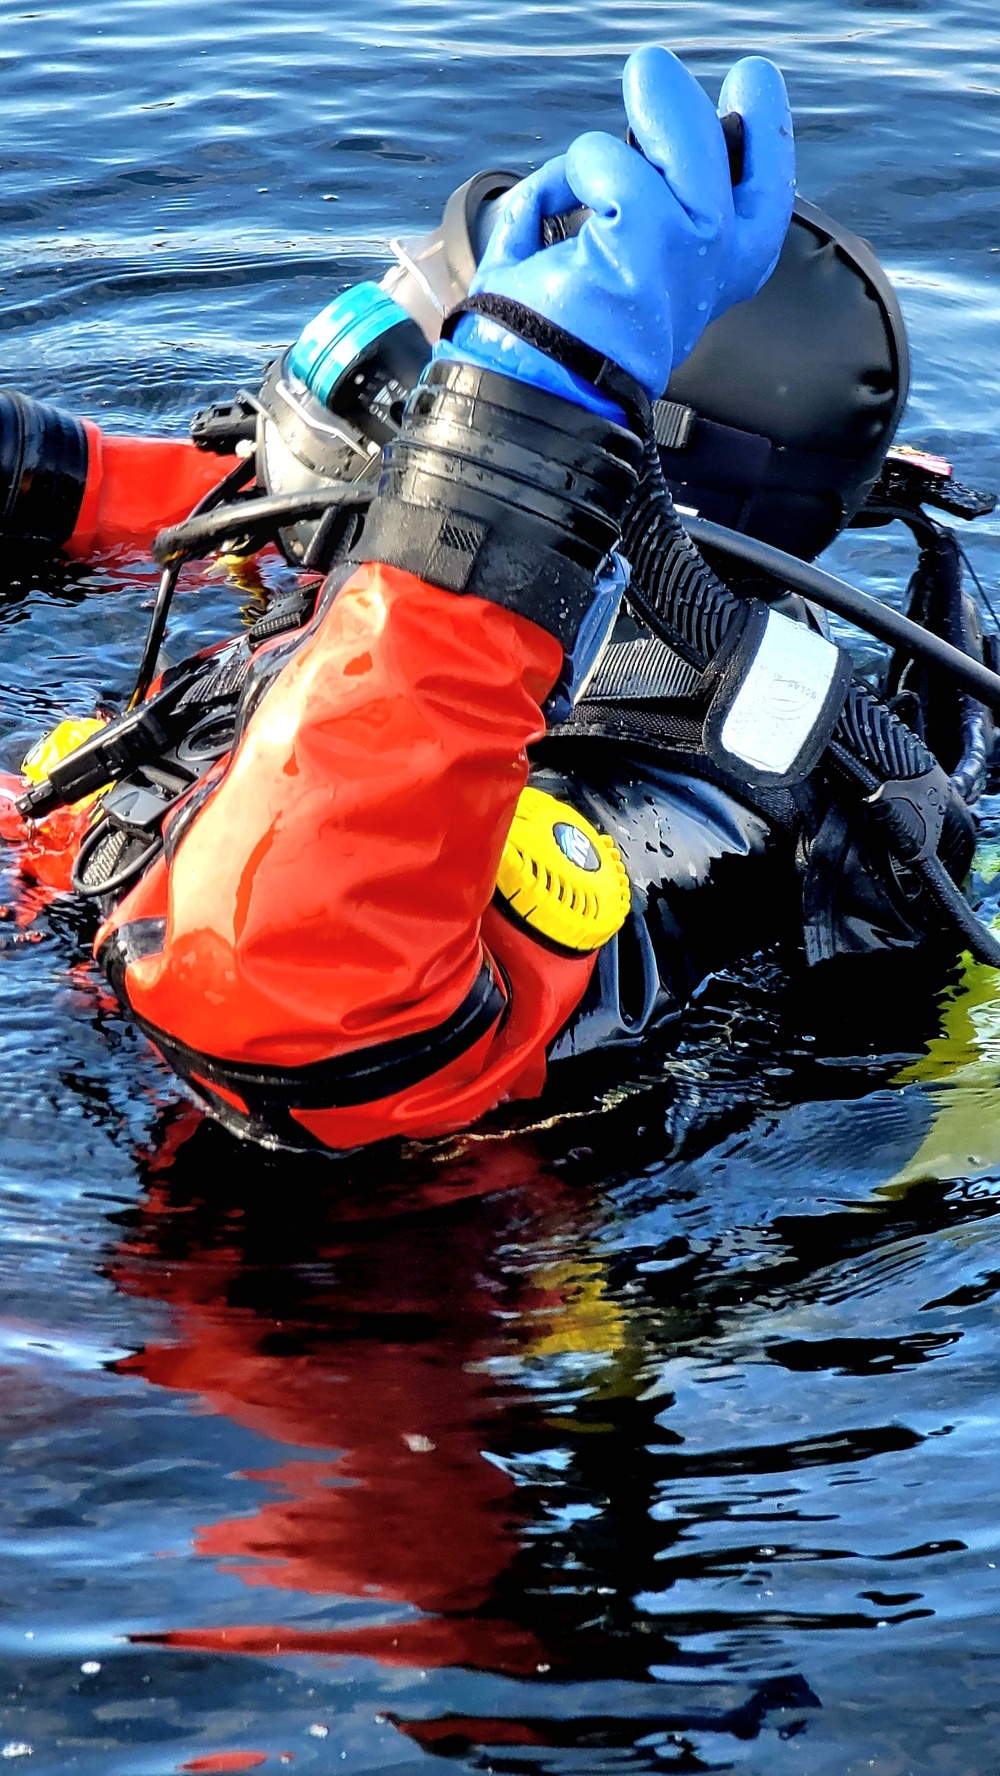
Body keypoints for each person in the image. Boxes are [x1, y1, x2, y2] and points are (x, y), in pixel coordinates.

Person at [0, 46, 993, 1154]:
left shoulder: (676, 786)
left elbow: (286, 989)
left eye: (429, 381)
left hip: (194, 1260)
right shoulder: (411, 570)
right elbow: (178, 491)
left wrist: (515, 435)